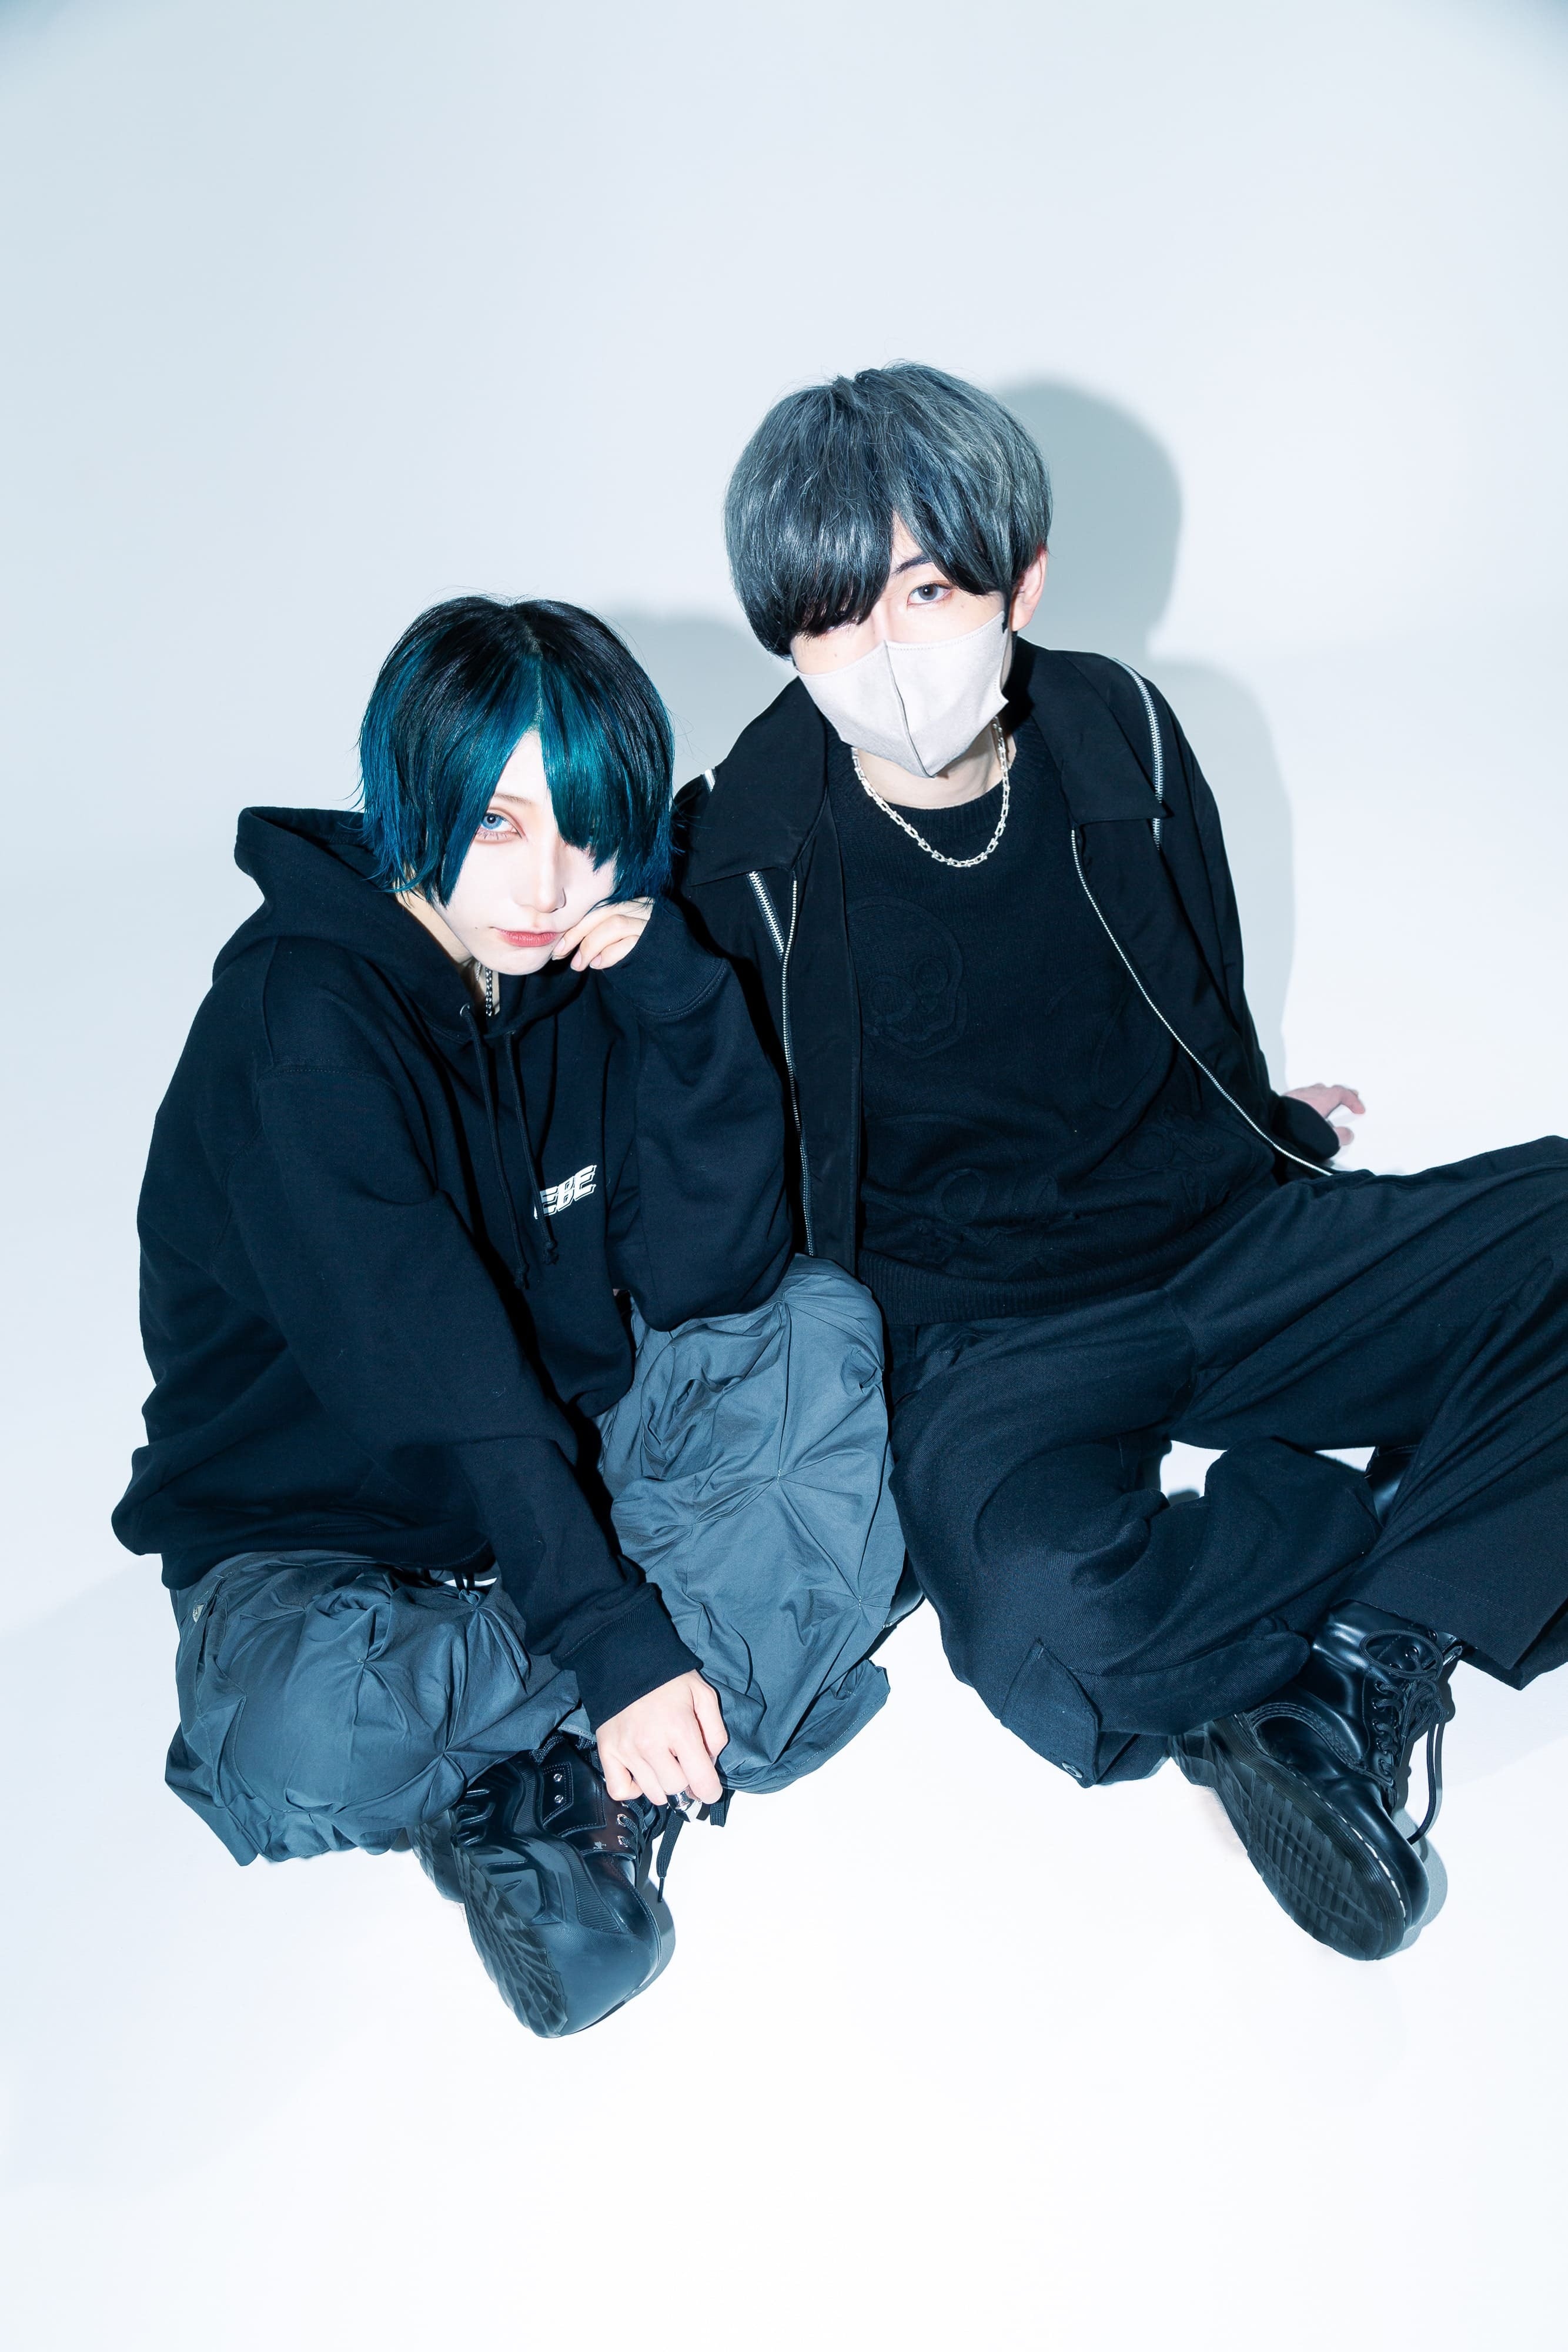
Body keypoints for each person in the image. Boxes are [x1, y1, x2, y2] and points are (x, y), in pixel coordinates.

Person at [676, 362, 1568, 1963]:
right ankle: (1397, 1535)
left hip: (1225, 1246)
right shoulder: (740, 858)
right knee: (1052, 1636)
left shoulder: (1121, 734)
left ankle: (1357, 1657)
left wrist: (1268, 1125)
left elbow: (1193, 990)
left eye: (925, 592)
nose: (882, 656)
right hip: (980, 1342)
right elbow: (717, 1171)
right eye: (829, 618)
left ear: (1019, 581)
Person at [115, 596, 903, 2035]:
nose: (549, 880)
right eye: (498, 823)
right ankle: (640, 1730)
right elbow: (441, 1372)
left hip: (570, 1470)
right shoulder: (300, 1029)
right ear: (412, 794)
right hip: (321, 1535)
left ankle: (536, 1778)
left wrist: (680, 1004)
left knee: (827, 1336)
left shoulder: (573, 963)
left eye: (589, 829)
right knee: (297, 1736)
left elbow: (714, 1281)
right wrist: (612, 1641)